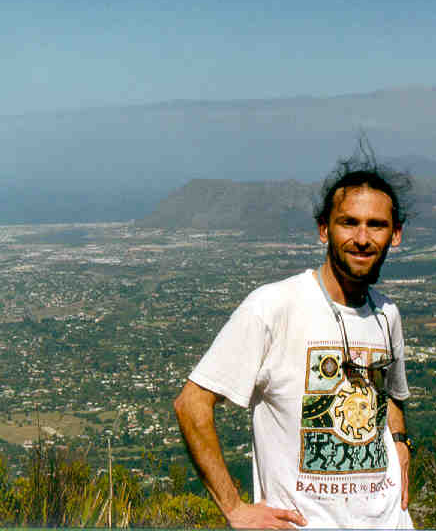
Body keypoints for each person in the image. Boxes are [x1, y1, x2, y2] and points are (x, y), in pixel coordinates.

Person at [173, 151, 415, 529]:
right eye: (348, 223)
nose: (362, 238)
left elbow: (390, 395)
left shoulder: (387, 313)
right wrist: (234, 508)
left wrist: (400, 441)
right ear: (324, 230)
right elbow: (191, 404)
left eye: (376, 225)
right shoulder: (273, 307)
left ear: (395, 234)